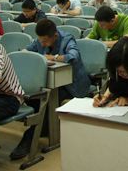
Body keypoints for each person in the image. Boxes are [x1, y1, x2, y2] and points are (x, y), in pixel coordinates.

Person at [12, 19, 92, 159]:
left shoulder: (67, 39)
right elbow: (26, 51)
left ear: (54, 36)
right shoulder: (41, 39)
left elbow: (73, 56)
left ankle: (29, 139)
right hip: (51, 82)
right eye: (40, 41)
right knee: (34, 98)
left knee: (47, 101)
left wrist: (52, 57)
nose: (42, 44)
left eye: (45, 41)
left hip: (72, 84)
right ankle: (45, 127)